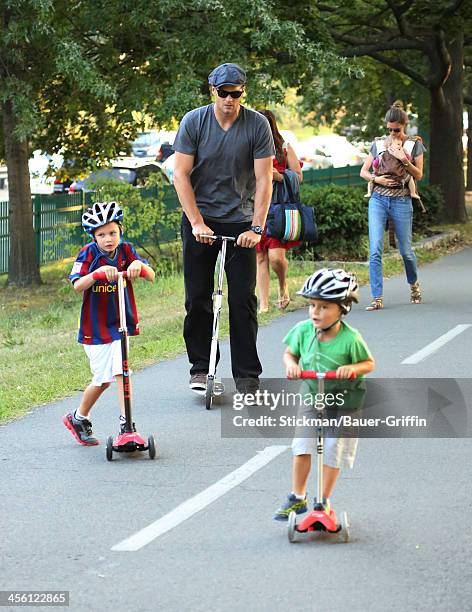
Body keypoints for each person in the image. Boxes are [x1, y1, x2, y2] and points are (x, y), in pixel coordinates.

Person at [173, 62, 275, 395]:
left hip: (240, 222)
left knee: (243, 299)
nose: (229, 99)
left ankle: (247, 376)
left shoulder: (257, 125)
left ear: (242, 92)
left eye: (236, 93)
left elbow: (263, 179)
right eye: (223, 93)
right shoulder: (194, 122)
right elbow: (180, 175)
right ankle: (201, 369)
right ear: (212, 90)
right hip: (199, 219)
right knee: (198, 298)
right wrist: (197, 222)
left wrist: (257, 227)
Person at [274, 268, 375, 521]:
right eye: (312, 305)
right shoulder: (303, 330)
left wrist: (351, 368)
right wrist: (292, 366)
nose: (315, 312)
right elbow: (289, 353)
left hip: (344, 402)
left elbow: (368, 363)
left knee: (333, 448)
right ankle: (297, 497)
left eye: (324, 307)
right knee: (302, 444)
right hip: (312, 397)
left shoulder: (351, 339)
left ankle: (323, 501)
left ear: (343, 308)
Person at [63, 201, 155, 445]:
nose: (108, 239)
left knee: (122, 372)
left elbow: (151, 275)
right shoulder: (88, 254)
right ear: (94, 237)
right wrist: (96, 274)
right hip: (95, 328)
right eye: (101, 235)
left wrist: (139, 265)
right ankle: (78, 417)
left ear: (120, 231)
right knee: (102, 379)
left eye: (112, 233)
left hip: (120, 324)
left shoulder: (126, 251)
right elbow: (76, 284)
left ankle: (127, 425)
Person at [360, 101, 426, 310]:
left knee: (406, 251)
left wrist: (404, 160)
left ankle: (414, 285)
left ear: (404, 126)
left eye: (396, 130)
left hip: (401, 199)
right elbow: (363, 171)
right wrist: (375, 179)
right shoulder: (379, 143)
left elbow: (419, 174)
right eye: (389, 129)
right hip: (378, 199)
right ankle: (377, 297)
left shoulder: (414, 144)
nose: (392, 133)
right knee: (375, 249)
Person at [255, 110, 303, 313]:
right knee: (260, 257)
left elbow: (298, 176)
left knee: (276, 257)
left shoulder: (283, 147)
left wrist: (279, 176)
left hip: (278, 208)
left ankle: (283, 284)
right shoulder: (249, 147)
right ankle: (264, 304)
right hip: (255, 207)